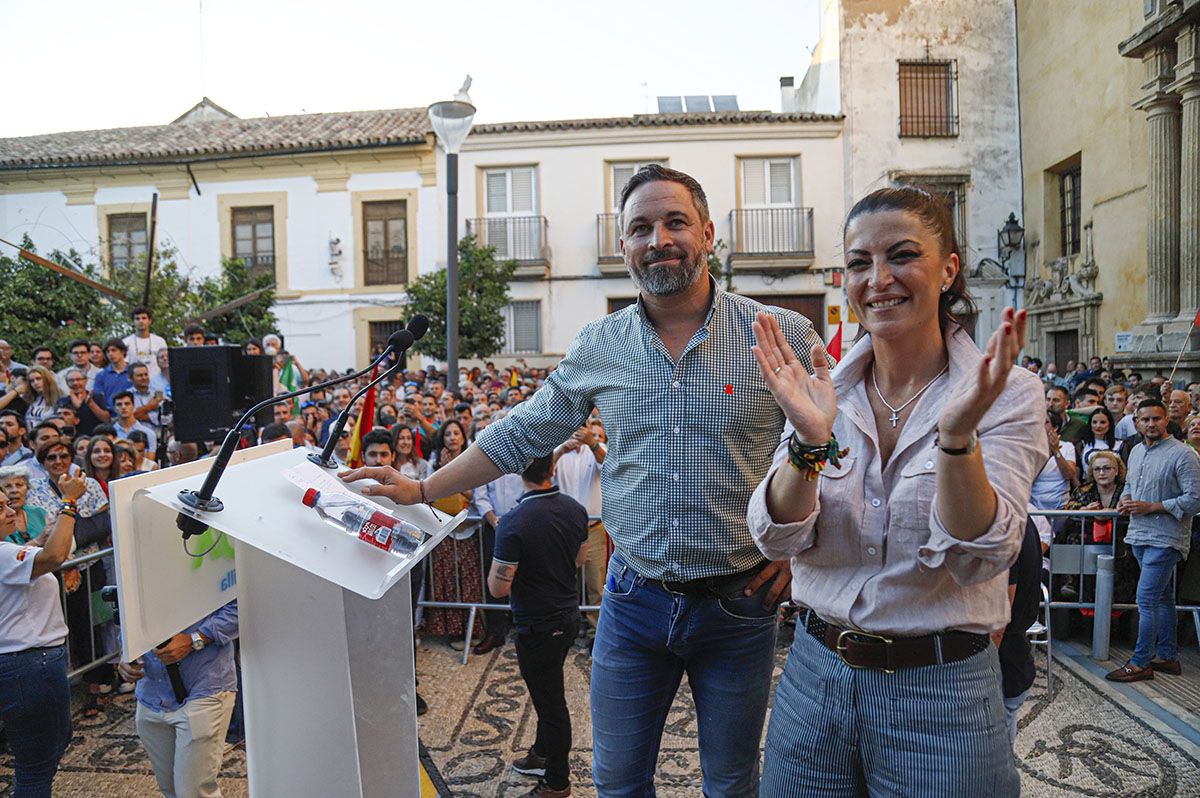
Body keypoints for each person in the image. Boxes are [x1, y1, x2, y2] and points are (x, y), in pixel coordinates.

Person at [341, 165, 819, 795]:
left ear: (707, 232)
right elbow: (522, 433)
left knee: (731, 783)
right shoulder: (601, 342)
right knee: (617, 782)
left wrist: (803, 555)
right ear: (624, 248)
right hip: (633, 602)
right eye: (640, 227)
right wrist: (423, 490)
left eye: (675, 221)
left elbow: (834, 445)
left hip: (737, 607)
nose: (658, 239)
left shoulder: (782, 335)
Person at [746, 185, 1045, 796]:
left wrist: (956, 438)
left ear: (948, 269)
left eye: (902, 255)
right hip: (814, 676)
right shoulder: (825, 391)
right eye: (859, 263)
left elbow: (981, 551)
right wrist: (808, 442)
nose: (878, 278)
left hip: (942, 696)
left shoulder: (1006, 394)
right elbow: (777, 531)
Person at [487, 454, 589, 798]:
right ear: (553, 469)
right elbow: (580, 559)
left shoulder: (513, 521)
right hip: (567, 616)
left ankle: (557, 782)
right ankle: (542, 753)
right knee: (548, 691)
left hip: (537, 624)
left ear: (518, 471)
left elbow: (498, 588)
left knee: (551, 703)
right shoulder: (575, 509)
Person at [0, 471, 86, 797]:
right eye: (0, 508)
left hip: (22, 663)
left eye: (8, 504)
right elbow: (53, 557)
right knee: (35, 770)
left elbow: (37, 550)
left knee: (46, 749)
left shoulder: (9, 550)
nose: (10, 511)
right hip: (31, 664)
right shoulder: (4, 554)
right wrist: (69, 503)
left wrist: (48, 531)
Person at [1106, 398, 1200, 682]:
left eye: (1156, 419)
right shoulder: (1134, 451)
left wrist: (1153, 506)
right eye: (1145, 419)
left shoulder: (1184, 455)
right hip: (1138, 534)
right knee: (1162, 597)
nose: (1151, 424)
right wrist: (1125, 500)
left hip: (1167, 537)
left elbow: (1194, 499)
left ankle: (1140, 662)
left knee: (1145, 598)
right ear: (1136, 422)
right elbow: (1131, 484)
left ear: (1166, 420)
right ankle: (1168, 656)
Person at [117, 602, 239, 798]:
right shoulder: (132, 570)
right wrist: (125, 653)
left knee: (193, 793)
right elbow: (127, 609)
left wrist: (195, 640)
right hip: (151, 694)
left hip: (205, 686)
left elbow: (242, 605)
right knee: (171, 790)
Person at [553, 420, 607, 635]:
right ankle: (569, 628)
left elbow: (609, 466)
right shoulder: (559, 449)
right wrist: (560, 450)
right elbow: (542, 474)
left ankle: (596, 632)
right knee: (565, 582)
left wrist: (592, 444)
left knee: (596, 583)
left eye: (580, 428)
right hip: (564, 531)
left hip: (592, 528)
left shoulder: (598, 448)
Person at [1031, 409, 1078, 509]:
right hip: (1034, 507)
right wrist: (1047, 454)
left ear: (1055, 427)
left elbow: (1069, 475)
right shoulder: (1030, 447)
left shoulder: (1067, 447)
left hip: (1060, 507)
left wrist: (1056, 451)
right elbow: (1029, 478)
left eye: (1046, 422)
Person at [0, 466, 47, 546]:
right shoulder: (2, 519)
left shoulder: (39, 512)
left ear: (27, 488)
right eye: (8, 486)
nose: (14, 490)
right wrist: (37, 541)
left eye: (19, 485)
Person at [56, 368, 111, 436]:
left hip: (94, 436)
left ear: (86, 381)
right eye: (71, 380)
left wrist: (90, 403)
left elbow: (106, 420)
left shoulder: (97, 398)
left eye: (78, 379)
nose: (75, 383)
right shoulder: (63, 401)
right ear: (67, 383)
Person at [122, 306, 169, 381]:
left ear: (149, 321)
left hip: (157, 383)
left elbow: (166, 364)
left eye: (144, 318)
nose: (141, 321)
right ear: (133, 321)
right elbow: (124, 366)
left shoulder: (160, 341)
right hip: (135, 385)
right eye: (137, 319)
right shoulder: (126, 342)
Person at [1075, 406, 1117, 480]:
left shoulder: (1121, 445)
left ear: (1109, 424)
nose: (1098, 426)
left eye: (1102, 422)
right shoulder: (1082, 445)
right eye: (1094, 422)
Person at [111, 391, 157, 455]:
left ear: (133, 406)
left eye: (127, 404)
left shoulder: (149, 433)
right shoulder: (110, 434)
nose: (123, 407)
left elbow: (149, 462)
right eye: (119, 404)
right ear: (114, 408)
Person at [93, 338, 133, 411]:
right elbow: (99, 399)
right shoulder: (101, 375)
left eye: (114, 350)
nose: (110, 354)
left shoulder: (134, 371)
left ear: (123, 351)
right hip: (110, 417)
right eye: (108, 351)